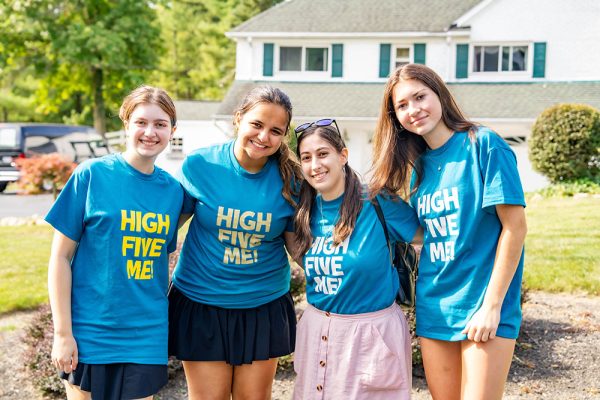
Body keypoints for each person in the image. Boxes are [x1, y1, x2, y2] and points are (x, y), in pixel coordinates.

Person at [370, 63, 528, 400]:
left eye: (419, 97)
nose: (413, 110)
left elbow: (515, 229)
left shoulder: (484, 145)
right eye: (402, 105)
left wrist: (492, 306)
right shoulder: (421, 170)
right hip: (435, 306)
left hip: (482, 303)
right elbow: (425, 235)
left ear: (439, 93)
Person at [46, 85, 183, 400]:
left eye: (160, 124)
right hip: (90, 330)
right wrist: (63, 333)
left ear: (172, 130)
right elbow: (60, 259)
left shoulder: (173, 191)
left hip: (146, 333)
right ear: (126, 125)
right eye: (141, 122)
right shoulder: (91, 175)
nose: (150, 132)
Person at [168, 86, 303, 399]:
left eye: (275, 131)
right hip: (201, 303)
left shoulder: (291, 182)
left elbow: (299, 249)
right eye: (257, 124)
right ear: (238, 119)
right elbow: (164, 231)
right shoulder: (200, 166)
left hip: (263, 306)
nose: (264, 136)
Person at [291, 119, 422, 399]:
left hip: (371, 336)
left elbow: (431, 238)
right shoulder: (304, 212)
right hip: (317, 332)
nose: (315, 165)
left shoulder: (378, 202)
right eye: (306, 157)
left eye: (323, 153)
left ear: (343, 155)